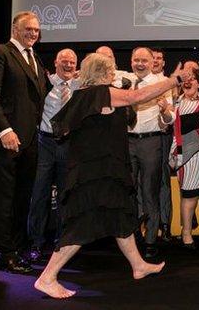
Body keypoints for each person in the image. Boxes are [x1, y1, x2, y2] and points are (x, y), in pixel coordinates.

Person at [33, 52, 183, 298]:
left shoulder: (87, 94)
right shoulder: (98, 93)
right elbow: (138, 96)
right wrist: (172, 81)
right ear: (101, 73)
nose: (115, 73)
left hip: (104, 171)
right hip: (95, 174)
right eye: (111, 69)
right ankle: (48, 277)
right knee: (81, 226)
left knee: (120, 216)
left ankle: (138, 265)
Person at [0, 11, 48, 274]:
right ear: (15, 29)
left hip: (30, 139)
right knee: (5, 198)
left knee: (22, 198)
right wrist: (4, 129)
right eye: (28, 29)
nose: (33, 34)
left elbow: (37, 94)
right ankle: (5, 254)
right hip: (6, 139)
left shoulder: (34, 57)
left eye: (37, 30)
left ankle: (17, 250)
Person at [27, 49, 79, 262]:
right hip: (45, 143)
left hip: (69, 145)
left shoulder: (80, 85)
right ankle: (35, 244)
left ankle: (61, 244)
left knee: (66, 197)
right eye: (64, 61)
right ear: (56, 62)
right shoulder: (44, 82)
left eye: (72, 62)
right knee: (39, 195)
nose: (68, 65)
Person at [125, 47, 175, 258]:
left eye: (144, 60)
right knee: (128, 192)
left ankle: (151, 240)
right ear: (131, 61)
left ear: (152, 62)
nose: (140, 63)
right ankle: (131, 237)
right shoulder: (123, 81)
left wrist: (164, 110)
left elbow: (169, 119)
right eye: (136, 59)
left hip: (151, 142)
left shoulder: (161, 85)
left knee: (150, 193)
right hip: (127, 142)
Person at [167, 63, 199, 249]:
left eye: (191, 79)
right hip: (185, 155)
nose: (187, 82)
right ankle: (186, 235)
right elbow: (174, 124)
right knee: (189, 196)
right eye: (184, 79)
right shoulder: (175, 103)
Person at [151, 47, 173, 242]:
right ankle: (148, 224)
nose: (156, 61)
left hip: (164, 136)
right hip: (144, 138)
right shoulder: (139, 81)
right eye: (153, 58)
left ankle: (165, 224)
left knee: (164, 181)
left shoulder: (169, 83)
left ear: (164, 63)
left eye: (159, 58)